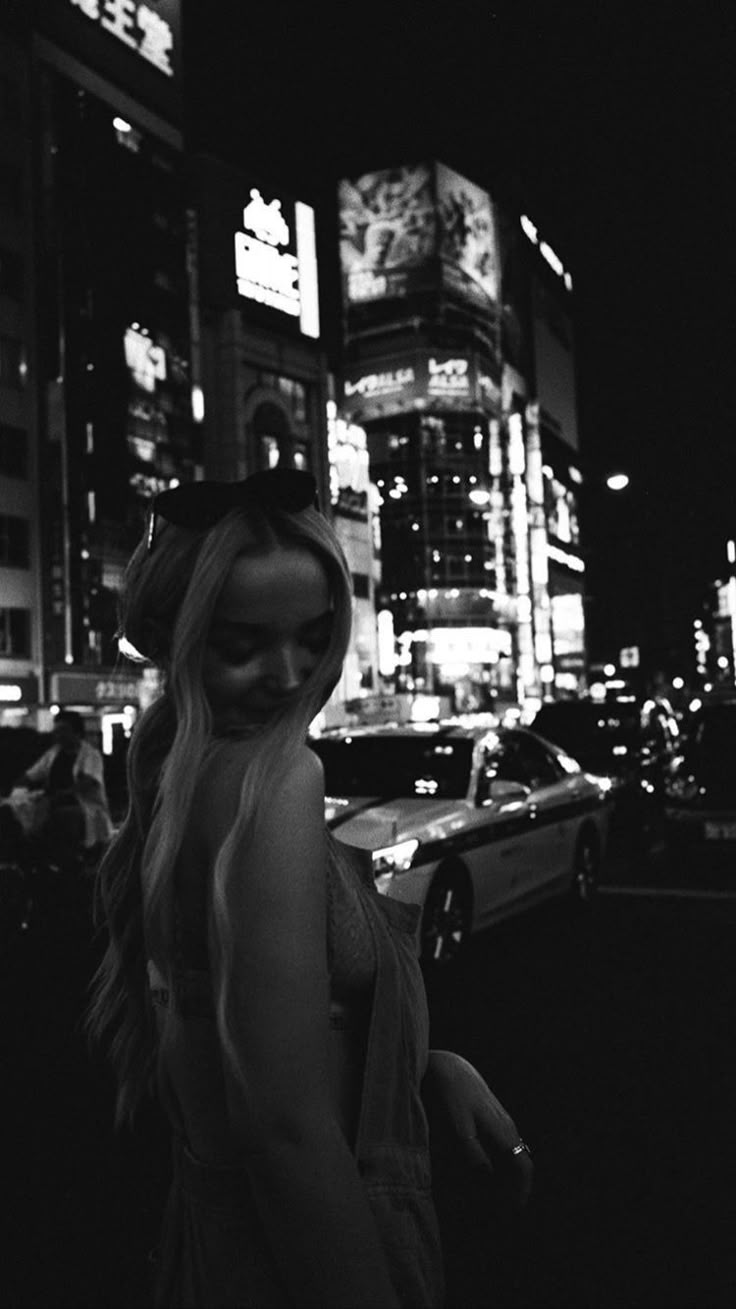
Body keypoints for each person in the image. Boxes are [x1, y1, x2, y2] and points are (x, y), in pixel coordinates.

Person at [86, 468, 532, 1309]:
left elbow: (255, 1055)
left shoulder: (181, 784)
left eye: (313, 634)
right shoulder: (275, 779)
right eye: (241, 643)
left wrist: (426, 1067)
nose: (290, 674)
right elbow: (283, 1129)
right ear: (177, 636)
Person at [15, 710, 113, 865]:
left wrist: (59, 796)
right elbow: (31, 775)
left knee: (60, 818)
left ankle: (68, 861)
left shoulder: (90, 755)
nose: (58, 734)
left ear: (76, 732)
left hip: (84, 807)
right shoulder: (53, 754)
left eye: (63, 730)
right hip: (52, 802)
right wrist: (17, 787)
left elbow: (89, 782)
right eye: (57, 730)